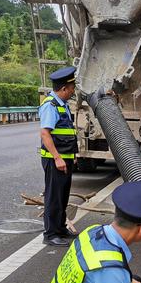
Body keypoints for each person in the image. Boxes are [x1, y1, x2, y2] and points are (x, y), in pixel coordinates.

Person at [40, 66, 79, 246]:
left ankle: (60, 228)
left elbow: (66, 133)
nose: (73, 91)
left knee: (62, 196)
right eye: (71, 88)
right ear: (64, 89)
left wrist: (72, 155)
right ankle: (50, 234)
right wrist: (57, 158)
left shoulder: (62, 105)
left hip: (65, 158)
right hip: (55, 159)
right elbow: (45, 134)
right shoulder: (50, 106)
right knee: (53, 196)